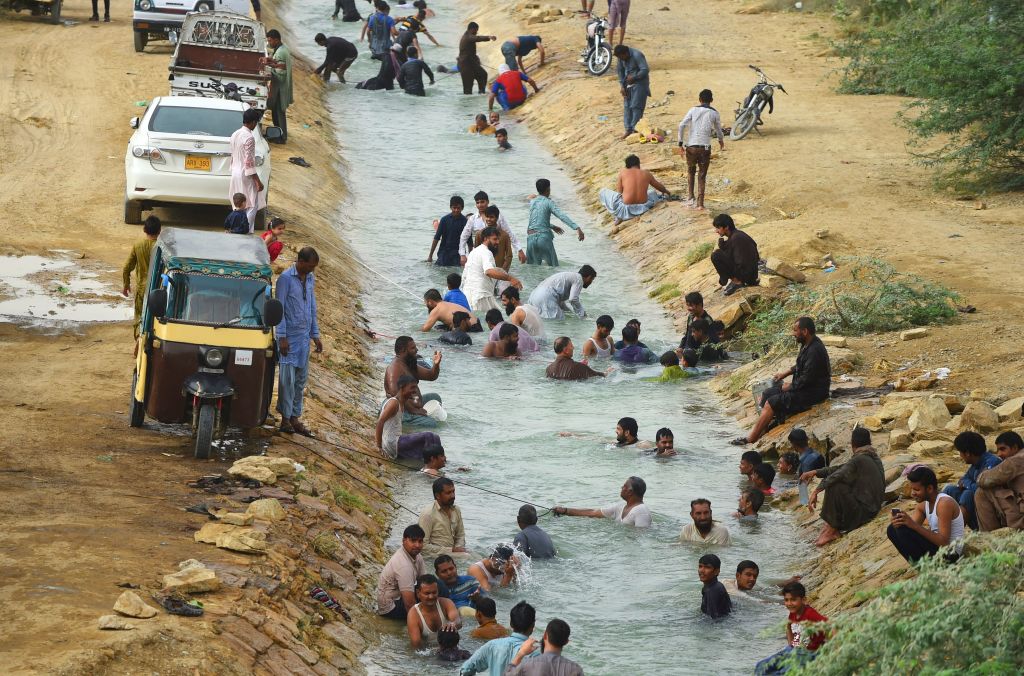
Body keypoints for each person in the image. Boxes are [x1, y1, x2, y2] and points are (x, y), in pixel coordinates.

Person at [734, 317, 831, 445]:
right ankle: (765, 426)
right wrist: (785, 373)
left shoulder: (814, 350)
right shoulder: (808, 344)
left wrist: (789, 386)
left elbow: (806, 379)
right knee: (768, 392)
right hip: (805, 388)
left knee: (772, 401)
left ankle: (750, 439)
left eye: (795, 330)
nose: (793, 334)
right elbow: (801, 366)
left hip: (812, 394)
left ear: (805, 331)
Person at [802, 427, 885, 546]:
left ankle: (831, 531)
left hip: (866, 513)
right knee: (836, 481)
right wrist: (815, 472)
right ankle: (830, 527)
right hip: (870, 508)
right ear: (869, 442)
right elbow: (839, 468)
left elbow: (838, 474)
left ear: (852, 443)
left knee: (835, 485)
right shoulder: (869, 455)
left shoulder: (860, 458)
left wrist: (816, 490)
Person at [276, 247, 321, 436]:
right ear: (300, 262)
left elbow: (311, 306)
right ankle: (285, 419)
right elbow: (279, 309)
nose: (312, 270)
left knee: (300, 381)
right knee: (287, 380)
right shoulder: (285, 279)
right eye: (310, 266)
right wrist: (282, 337)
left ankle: (295, 416)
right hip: (289, 340)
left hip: (303, 339)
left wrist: (315, 334)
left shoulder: (309, 279)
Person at [888, 465, 965, 563]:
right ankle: (921, 568)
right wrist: (900, 521)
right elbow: (908, 532)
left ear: (929, 488)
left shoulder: (944, 503)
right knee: (893, 529)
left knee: (904, 530)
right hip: (937, 549)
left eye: (916, 490)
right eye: (912, 489)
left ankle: (932, 569)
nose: (912, 493)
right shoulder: (923, 505)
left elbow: (944, 542)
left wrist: (913, 525)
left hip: (951, 554)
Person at [754, 582, 828, 675]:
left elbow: (830, 626)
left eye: (793, 600)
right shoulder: (793, 612)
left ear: (804, 600)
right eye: (786, 600)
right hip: (795, 650)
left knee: (781, 673)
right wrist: (791, 645)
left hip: (810, 654)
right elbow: (789, 627)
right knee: (761, 666)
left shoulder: (810, 614)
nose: (789, 603)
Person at [460, 601, 539, 676]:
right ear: (533, 626)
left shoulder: (492, 645)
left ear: (511, 623)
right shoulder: (537, 654)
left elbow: (465, 669)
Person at [677, 89, 725, 210]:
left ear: (699, 99)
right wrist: (720, 139)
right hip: (705, 148)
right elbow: (718, 129)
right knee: (702, 175)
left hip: (691, 147)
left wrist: (680, 143)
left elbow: (682, 125)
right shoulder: (714, 113)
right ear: (711, 101)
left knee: (691, 172)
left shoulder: (693, 110)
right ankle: (700, 204)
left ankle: (690, 197)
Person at [944, 430, 1002, 530]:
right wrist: (968, 483)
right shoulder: (976, 465)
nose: (960, 456)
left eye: (960, 452)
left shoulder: (992, 462)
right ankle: (939, 524)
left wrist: (967, 484)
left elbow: (981, 489)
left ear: (967, 453)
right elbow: (963, 479)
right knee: (950, 490)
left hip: (991, 513)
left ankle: (954, 532)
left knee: (968, 494)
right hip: (979, 509)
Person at [377, 375, 444, 459]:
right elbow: (380, 422)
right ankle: (431, 465)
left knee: (435, 437)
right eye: (412, 387)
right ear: (402, 387)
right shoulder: (394, 403)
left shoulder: (402, 402)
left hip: (396, 440)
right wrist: (379, 446)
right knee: (429, 436)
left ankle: (441, 460)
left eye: (415, 387)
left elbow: (417, 403)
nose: (414, 390)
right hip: (392, 443)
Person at [385, 335, 444, 426]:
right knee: (432, 423)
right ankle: (408, 427)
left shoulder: (409, 365)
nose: (417, 350)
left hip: (414, 404)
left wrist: (436, 365)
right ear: (403, 350)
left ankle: (418, 418)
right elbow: (395, 395)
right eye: (413, 348)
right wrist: (414, 410)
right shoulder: (394, 368)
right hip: (401, 410)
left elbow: (431, 376)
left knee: (436, 398)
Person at [462, 227, 523, 313]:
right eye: (495, 239)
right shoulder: (486, 252)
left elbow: (465, 275)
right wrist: (511, 279)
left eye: (498, 239)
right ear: (485, 238)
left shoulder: (474, 252)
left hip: (468, 295)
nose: (497, 242)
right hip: (481, 296)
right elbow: (489, 271)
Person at [525, 179, 584, 266]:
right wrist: (577, 228)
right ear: (548, 189)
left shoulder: (532, 202)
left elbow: (536, 222)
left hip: (530, 238)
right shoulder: (549, 202)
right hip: (543, 238)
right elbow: (561, 215)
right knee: (554, 267)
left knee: (532, 270)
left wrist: (552, 226)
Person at [598, 155, 671, 225]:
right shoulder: (647, 174)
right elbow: (660, 187)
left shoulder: (623, 173)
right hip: (643, 207)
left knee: (603, 191)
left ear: (627, 166)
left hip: (625, 209)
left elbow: (619, 193)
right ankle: (625, 215)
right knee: (652, 192)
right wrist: (667, 192)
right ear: (638, 164)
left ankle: (619, 217)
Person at [552, 476, 652, 527]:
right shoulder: (620, 507)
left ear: (630, 492)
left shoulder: (641, 512)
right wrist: (565, 511)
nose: (621, 487)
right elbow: (592, 513)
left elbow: (641, 538)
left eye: (624, 486)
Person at [975, 431, 1024, 531]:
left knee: (982, 492)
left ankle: (991, 537)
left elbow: (984, 480)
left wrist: (983, 473)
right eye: (998, 450)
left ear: (1014, 447)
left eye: (1002, 449)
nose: (999, 454)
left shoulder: (1014, 461)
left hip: (1020, 515)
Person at [122, 216, 161, 339]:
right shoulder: (161, 248)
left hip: (141, 289)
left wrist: (126, 284)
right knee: (156, 318)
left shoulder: (138, 245)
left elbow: (126, 267)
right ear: (160, 231)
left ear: (144, 229)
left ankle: (139, 338)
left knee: (139, 316)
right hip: (158, 290)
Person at [377, 524, 427, 619]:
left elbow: (425, 581)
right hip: (390, 608)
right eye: (413, 541)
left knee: (436, 587)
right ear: (404, 541)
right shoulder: (403, 565)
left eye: (420, 541)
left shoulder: (417, 556)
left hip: (399, 596)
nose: (417, 545)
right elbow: (409, 604)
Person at [228, 108, 266, 229]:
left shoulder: (235, 134)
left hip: (235, 173)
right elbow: (249, 162)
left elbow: (233, 156)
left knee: (238, 204)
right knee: (251, 204)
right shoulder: (249, 138)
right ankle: (245, 230)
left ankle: (236, 228)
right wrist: (258, 181)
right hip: (245, 175)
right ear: (254, 122)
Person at [505, 618, 583, 676]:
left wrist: (520, 654)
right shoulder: (575, 670)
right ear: (566, 642)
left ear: (545, 635)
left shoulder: (528, 664)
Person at [407, 574, 461, 650]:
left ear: (438, 591)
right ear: (418, 593)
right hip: (429, 653)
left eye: (434, 592)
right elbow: (416, 646)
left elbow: (458, 622)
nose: (431, 597)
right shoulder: (413, 615)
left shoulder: (446, 603)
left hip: (449, 648)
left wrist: (453, 624)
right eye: (427, 593)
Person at [418, 477, 467, 559]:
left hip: (453, 554)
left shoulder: (456, 510)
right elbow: (423, 546)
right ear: (438, 496)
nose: (453, 496)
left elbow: (460, 535)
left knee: (478, 556)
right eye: (448, 493)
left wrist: (459, 548)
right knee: (469, 557)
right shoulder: (428, 514)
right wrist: (451, 550)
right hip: (434, 556)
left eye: (453, 491)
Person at [711, 213, 760, 295]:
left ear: (726, 227)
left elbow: (741, 262)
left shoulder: (737, 238)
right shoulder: (736, 235)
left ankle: (737, 282)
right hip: (750, 272)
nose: (716, 231)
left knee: (716, 255)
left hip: (748, 275)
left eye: (718, 228)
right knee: (718, 253)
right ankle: (735, 280)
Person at [528, 267, 596, 320]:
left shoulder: (569, 276)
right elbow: (573, 299)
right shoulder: (579, 279)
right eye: (592, 279)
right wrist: (583, 315)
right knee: (558, 323)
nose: (591, 282)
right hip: (545, 296)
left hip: (534, 295)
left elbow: (560, 302)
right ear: (589, 277)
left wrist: (570, 313)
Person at [614, 45, 650, 139]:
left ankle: (635, 129)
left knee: (636, 107)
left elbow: (645, 69)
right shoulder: (620, 58)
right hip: (627, 84)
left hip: (640, 84)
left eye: (622, 57)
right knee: (627, 107)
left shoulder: (637, 55)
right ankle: (628, 129)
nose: (621, 60)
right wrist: (622, 86)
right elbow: (620, 71)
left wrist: (635, 77)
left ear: (626, 53)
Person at [265, 30, 293, 144]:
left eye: (270, 40)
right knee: (276, 112)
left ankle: (282, 137)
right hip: (279, 88)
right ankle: (278, 134)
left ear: (276, 39)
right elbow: (278, 63)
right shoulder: (281, 49)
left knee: (279, 113)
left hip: (280, 88)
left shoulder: (281, 52)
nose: (269, 42)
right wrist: (270, 61)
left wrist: (269, 69)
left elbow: (281, 72)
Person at [428, 196, 468, 267]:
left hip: (458, 254)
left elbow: (469, 240)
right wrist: (430, 255)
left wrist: (470, 258)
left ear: (462, 208)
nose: (456, 210)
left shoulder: (465, 221)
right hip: (444, 252)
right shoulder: (444, 220)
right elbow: (437, 238)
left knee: (456, 275)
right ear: (450, 207)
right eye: (454, 208)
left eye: (458, 208)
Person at [458, 23, 497, 95]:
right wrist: (489, 37)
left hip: (472, 64)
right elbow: (477, 38)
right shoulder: (467, 37)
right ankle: (467, 104)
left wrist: (477, 59)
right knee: (468, 90)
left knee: (483, 75)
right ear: (472, 29)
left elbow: (471, 52)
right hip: (465, 66)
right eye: (476, 30)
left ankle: (481, 93)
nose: (476, 32)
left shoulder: (468, 36)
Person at [698, 554, 731, 619]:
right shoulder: (716, 585)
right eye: (700, 566)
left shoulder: (712, 591)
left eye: (707, 567)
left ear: (717, 571)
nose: (702, 570)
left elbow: (712, 618)